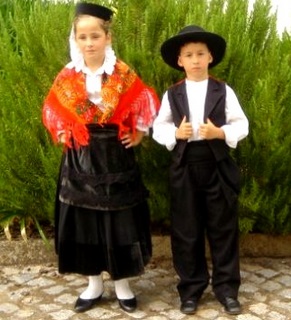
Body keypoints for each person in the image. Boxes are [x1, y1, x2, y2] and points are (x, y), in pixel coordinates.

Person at [42, 2, 159, 314]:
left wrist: (140, 133)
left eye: (95, 36)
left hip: (116, 157)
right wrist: (63, 133)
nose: (89, 42)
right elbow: (54, 108)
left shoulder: (123, 73)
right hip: (80, 157)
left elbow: (143, 101)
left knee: (119, 219)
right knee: (84, 220)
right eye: (83, 37)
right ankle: (93, 283)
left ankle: (123, 285)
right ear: (76, 39)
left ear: (107, 37)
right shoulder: (67, 75)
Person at [153, 25, 249, 315]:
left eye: (200, 54)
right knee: (187, 230)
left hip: (216, 164)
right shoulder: (172, 94)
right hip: (185, 166)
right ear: (180, 61)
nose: (195, 60)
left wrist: (220, 133)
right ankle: (191, 289)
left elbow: (241, 124)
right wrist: (175, 134)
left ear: (210, 58)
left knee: (223, 229)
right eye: (189, 55)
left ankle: (227, 289)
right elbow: (159, 126)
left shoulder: (223, 90)